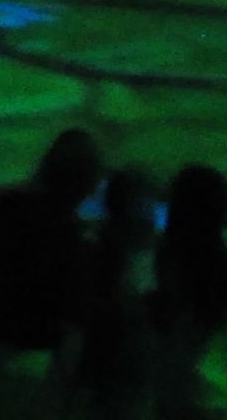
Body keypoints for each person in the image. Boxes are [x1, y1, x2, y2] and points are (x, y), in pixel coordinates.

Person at [0, 127, 100, 414]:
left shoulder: (10, 205)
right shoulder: (69, 235)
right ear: (85, 182)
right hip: (29, 357)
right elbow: (72, 315)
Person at [65, 167, 158, 420]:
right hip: (115, 364)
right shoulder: (106, 252)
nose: (151, 210)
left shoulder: (134, 249)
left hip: (120, 367)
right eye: (146, 202)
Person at [150, 165, 227, 419]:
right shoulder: (220, 253)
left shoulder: (178, 261)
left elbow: (171, 324)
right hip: (208, 385)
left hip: (180, 386)